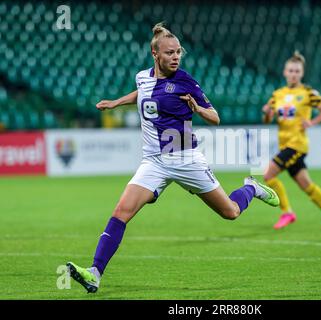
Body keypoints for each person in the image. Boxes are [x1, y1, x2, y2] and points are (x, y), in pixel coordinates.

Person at [66, 23, 279, 293]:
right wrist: (116, 102)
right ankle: (94, 273)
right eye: (169, 52)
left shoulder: (185, 81)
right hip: (153, 161)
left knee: (231, 212)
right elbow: (144, 94)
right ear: (155, 54)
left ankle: (251, 187)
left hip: (185, 158)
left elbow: (215, 118)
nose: (176, 56)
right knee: (121, 212)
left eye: (178, 52)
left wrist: (198, 108)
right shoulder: (142, 77)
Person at [262, 51, 321, 231]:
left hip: (297, 144)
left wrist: (311, 122)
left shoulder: (308, 93)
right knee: (306, 184)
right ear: (284, 72)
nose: (293, 74)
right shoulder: (278, 94)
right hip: (285, 144)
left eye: (297, 71)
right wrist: (267, 112)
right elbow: (267, 120)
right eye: (290, 70)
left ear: (302, 73)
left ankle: (287, 212)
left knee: (268, 174)